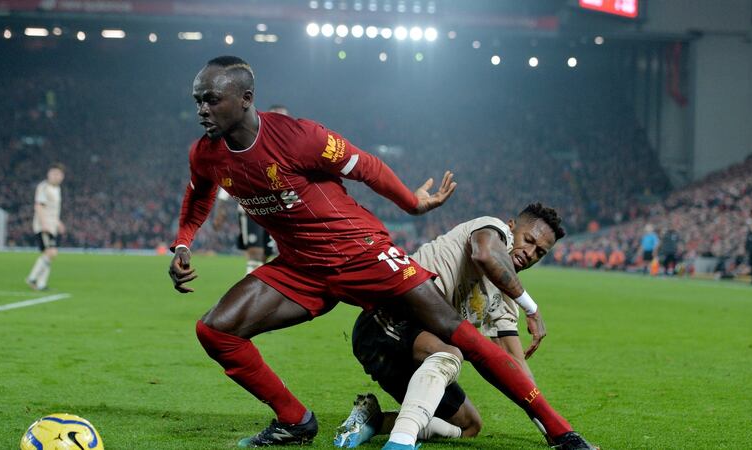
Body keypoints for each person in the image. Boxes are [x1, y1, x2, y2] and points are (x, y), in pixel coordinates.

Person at [168, 56, 594, 450]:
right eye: (198, 101)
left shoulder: (299, 137)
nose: (202, 110)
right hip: (301, 267)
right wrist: (184, 241)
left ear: (245, 99)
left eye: (211, 100)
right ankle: (296, 421)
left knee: (458, 334)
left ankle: (560, 432)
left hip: (362, 252)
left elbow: (365, 165)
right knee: (216, 330)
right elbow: (198, 198)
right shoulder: (205, 155)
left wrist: (412, 203)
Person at [334, 204, 569, 448]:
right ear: (511, 227)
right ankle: (400, 442)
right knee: (449, 352)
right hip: (384, 322)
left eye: (539, 252)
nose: (530, 252)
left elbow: (516, 366)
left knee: (468, 426)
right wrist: (531, 307)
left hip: (422, 356)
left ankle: (374, 421)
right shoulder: (491, 227)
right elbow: (485, 254)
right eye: (528, 240)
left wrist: (549, 426)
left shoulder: (506, 298)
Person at [213, 104, 289, 274]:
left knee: (269, 255)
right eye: (275, 116)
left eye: (283, 117)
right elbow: (232, 174)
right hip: (253, 207)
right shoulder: (249, 142)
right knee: (255, 253)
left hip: (279, 211)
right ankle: (252, 294)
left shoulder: (290, 147)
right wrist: (221, 206)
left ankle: (262, 292)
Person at [26, 164, 65, 290]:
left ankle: (41, 284)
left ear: (62, 176)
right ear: (48, 174)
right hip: (44, 226)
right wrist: (44, 224)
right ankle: (32, 278)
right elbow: (39, 206)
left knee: (48, 254)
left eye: (58, 174)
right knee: (51, 252)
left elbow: (52, 210)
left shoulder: (57, 189)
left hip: (52, 225)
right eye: (53, 173)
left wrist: (58, 223)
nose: (55, 176)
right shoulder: (44, 187)